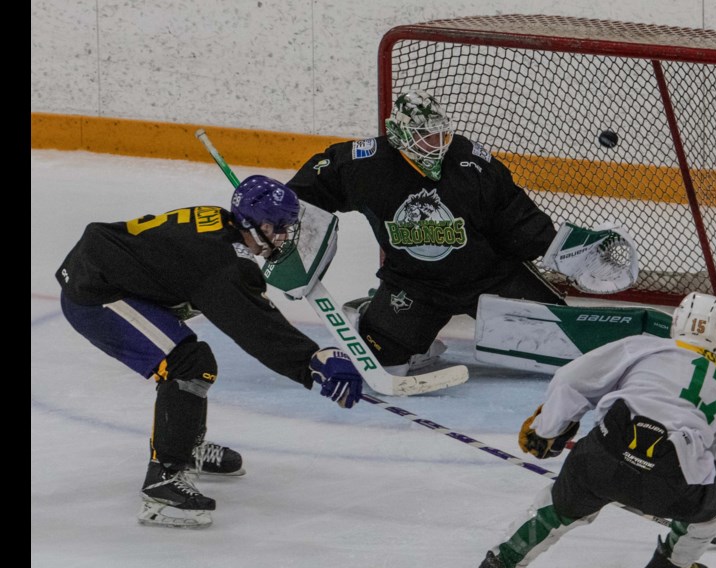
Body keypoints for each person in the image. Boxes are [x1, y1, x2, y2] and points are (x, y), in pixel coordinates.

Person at [55, 175, 364, 529]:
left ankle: (184, 446)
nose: (282, 235)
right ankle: (163, 481)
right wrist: (310, 362)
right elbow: (254, 326)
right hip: (97, 294)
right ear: (252, 223)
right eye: (276, 226)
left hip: (112, 272)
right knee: (187, 363)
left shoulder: (223, 228)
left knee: (191, 360)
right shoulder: (222, 263)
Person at [459, 292, 716, 568]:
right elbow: (714, 461)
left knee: (557, 505)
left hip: (605, 452)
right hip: (669, 479)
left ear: (677, 324)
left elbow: (571, 378)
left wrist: (547, 431)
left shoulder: (645, 346)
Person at [286, 88, 566, 375]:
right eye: (424, 136)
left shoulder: (470, 161)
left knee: (560, 343)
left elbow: (514, 214)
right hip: (416, 286)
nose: (436, 144)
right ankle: (387, 323)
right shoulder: (367, 165)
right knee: (384, 362)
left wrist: (554, 248)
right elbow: (315, 184)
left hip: (488, 277)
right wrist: (280, 210)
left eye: (440, 134)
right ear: (399, 134)